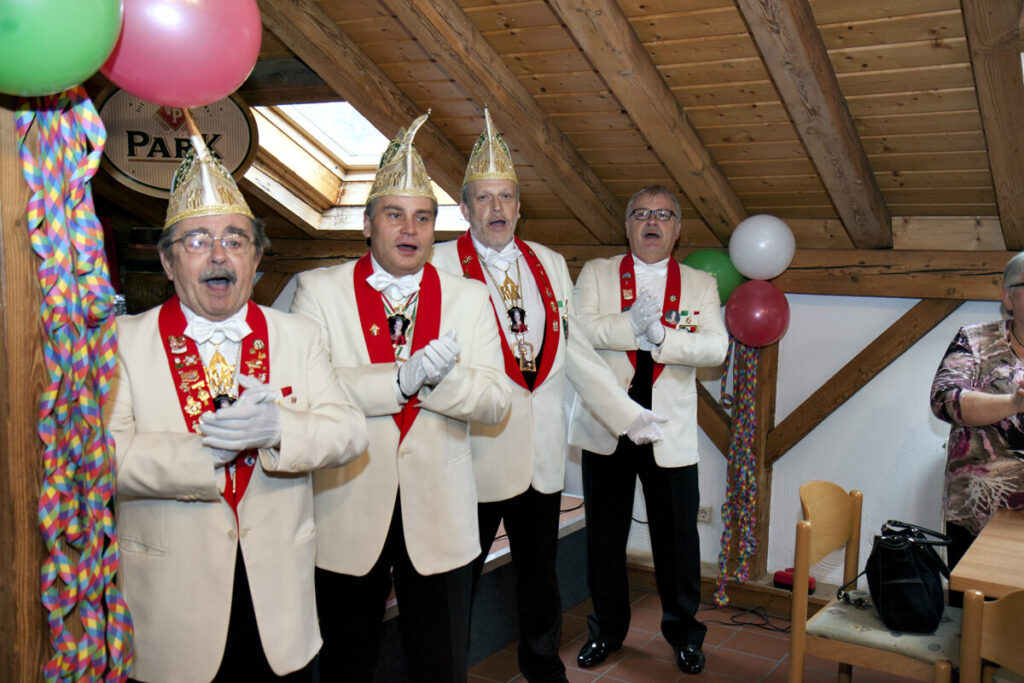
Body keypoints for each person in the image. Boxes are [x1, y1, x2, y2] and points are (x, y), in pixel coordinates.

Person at [106, 122, 368, 682]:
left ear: (256, 258)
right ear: (169, 262)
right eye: (197, 241)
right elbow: (103, 456)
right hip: (171, 609)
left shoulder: (298, 335)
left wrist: (279, 429)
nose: (218, 255)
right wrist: (204, 455)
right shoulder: (121, 342)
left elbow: (349, 432)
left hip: (278, 606)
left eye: (235, 240)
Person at [431, 108, 665, 682]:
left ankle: (543, 672)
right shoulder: (437, 265)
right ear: (464, 209)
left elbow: (575, 350)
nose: (496, 209)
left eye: (506, 197)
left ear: (519, 206)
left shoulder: (551, 263)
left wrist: (627, 415)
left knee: (540, 578)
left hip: (540, 453)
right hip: (472, 453)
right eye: (484, 199)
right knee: (454, 582)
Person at [290, 112, 510, 683]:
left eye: (423, 217)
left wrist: (437, 382)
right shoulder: (318, 290)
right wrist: (400, 380)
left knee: (440, 664)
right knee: (346, 664)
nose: (409, 229)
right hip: (347, 511)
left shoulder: (470, 297)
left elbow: (495, 401)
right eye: (394, 215)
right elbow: (310, 393)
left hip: (440, 513)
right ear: (367, 224)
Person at [567, 184, 729, 674]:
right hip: (609, 422)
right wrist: (628, 326)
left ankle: (685, 636)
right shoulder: (597, 272)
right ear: (627, 226)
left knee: (678, 541)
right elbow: (577, 330)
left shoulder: (700, 283)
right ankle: (607, 631)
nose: (651, 222)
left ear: (677, 229)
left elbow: (715, 349)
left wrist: (662, 336)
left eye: (662, 215)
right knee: (604, 539)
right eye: (640, 214)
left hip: (667, 430)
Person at [930, 251, 1024, 581]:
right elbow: (945, 401)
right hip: (979, 507)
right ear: (1008, 298)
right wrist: (1013, 403)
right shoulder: (975, 340)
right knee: (974, 607)